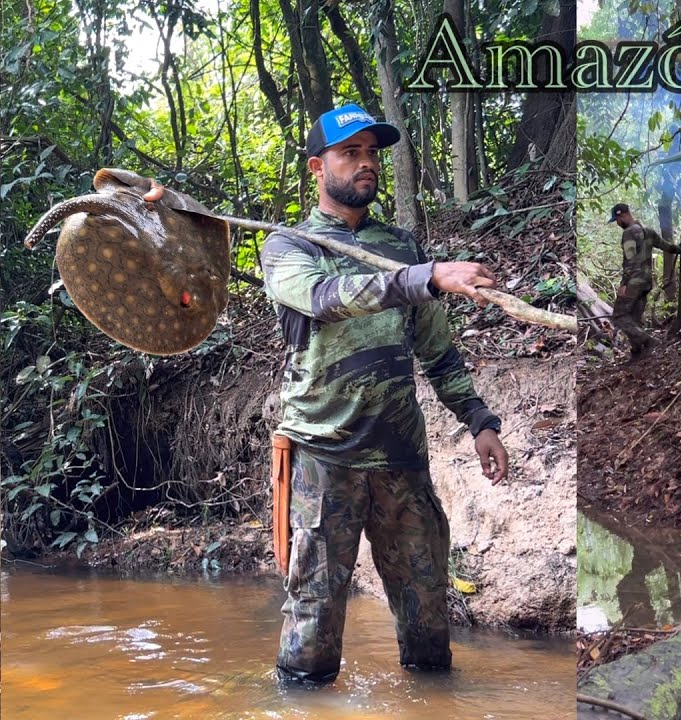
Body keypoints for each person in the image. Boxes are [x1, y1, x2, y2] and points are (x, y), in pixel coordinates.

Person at [153, 103, 510, 684]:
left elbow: (436, 347)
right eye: (352, 153)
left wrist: (479, 420)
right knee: (312, 629)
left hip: (401, 459)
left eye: (372, 153)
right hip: (325, 455)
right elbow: (324, 297)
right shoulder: (288, 246)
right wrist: (427, 276)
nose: (366, 164)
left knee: (428, 627)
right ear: (319, 166)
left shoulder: (402, 247)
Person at [606, 203, 681, 360]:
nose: (617, 224)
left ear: (622, 215)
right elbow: (668, 247)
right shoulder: (648, 231)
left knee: (619, 315)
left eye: (617, 220)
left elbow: (629, 260)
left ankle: (649, 341)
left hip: (634, 282)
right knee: (634, 317)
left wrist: (624, 284)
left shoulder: (630, 233)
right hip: (646, 282)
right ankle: (638, 353)